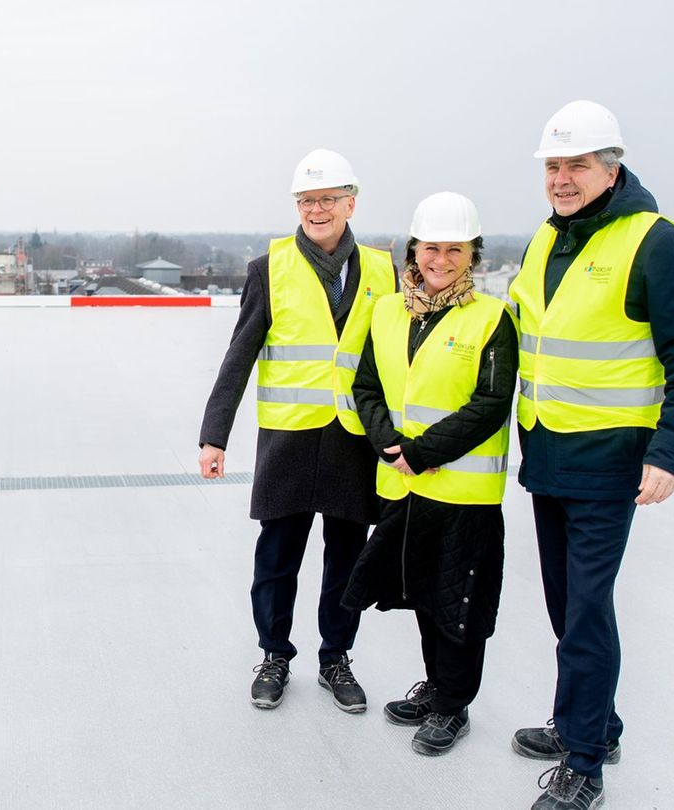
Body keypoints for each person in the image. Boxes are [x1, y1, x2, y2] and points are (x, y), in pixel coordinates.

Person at [508, 101, 674, 810]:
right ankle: (593, 720)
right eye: (553, 167)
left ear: (611, 167)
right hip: (548, 456)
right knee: (566, 606)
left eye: (576, 165)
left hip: (609, 463)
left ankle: (586, 762)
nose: (562, 179)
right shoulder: (549, 239)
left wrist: (673, 453)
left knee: (588, 609)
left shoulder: (654, 242)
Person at [198, 148, 396, 713]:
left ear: (350, 203)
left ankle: (336, 658)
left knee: (346, 558)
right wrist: (215, 436)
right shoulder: (270, 268)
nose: (316, 209)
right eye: (307, 200)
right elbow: (239, 355)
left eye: (327, 199)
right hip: (288, 439)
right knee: (278, 557)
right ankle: (274, 656)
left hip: (352, 440)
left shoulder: (385, 269)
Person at [341, 192, 517, 756]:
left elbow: (490, 403)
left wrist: (421, 451)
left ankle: (453, 705)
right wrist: (389, 443)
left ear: (473, 255)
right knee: (423, 594)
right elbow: (366, 386)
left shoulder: (491, 318)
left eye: (455, 250)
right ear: (414, 250)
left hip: (462, 493)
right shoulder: (388, 311)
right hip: (403, 484)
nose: (441, 260)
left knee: (458, 603)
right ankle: (438, 688)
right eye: (431, 248)